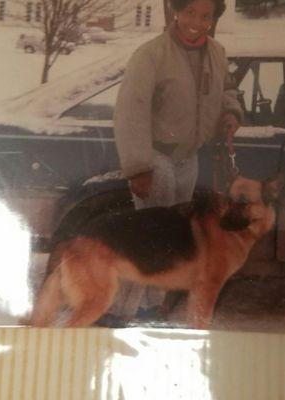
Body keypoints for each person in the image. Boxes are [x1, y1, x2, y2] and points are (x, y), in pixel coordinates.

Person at [112, 0, 243, 322]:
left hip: (189, 158)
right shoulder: (151, 54)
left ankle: (154, 306)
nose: (196, 22)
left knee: (175, 240)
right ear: (175, 12)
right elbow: (131, 111)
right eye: (189, 13)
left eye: (205, 15)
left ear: (214, 19)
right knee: (151, 238)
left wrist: (230, 112)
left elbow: (227, 89)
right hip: (156, 157)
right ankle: (122, 311)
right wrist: (140, 166)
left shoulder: (216, 52)